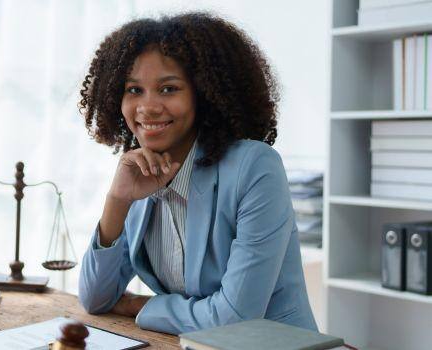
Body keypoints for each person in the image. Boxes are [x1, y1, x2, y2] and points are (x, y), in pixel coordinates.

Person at [77, 12, 318, 335]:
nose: (147, 107)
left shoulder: (255, 168)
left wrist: (142, 305)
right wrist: (117, 200)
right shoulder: (139, 175)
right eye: (134, 90)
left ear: (202, 93)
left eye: (168, 89)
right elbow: (95, 298)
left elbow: (234, 320)